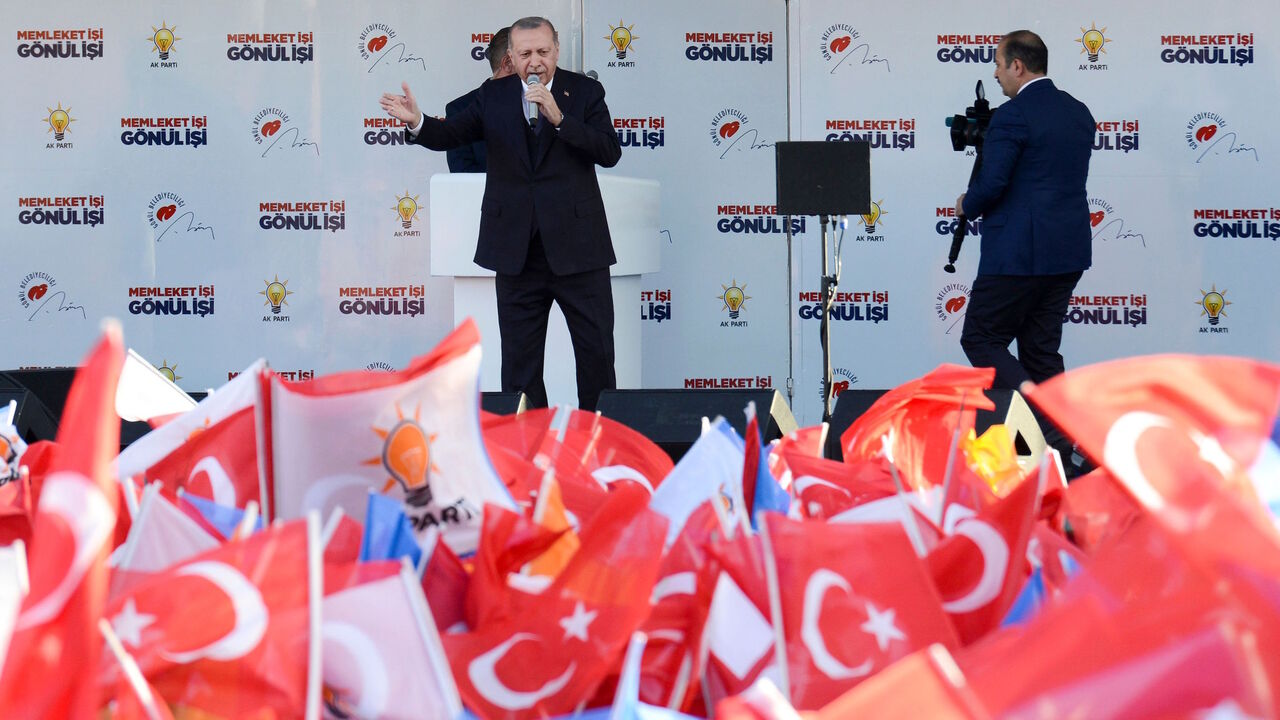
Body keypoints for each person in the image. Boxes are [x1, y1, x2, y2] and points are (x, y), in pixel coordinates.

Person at [380, 16, 622, 411]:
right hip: (517, 253)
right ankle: (529, 456)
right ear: (511, 56)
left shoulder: (584, 92)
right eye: (525, 54)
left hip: (580, 251)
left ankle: (598, 451)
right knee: (520, 370)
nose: (535, 62)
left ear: (556, 50)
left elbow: (609, 151)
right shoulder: (492, 97)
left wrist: (559, 118)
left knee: (596, 362)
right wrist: (419, 123)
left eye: (543, 52)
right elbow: (451, 134)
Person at [954, 30, 1095, 471]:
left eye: (998, 64)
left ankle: (1052, 431)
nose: (995, 74)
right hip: (1067, 253)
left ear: (1018, 65)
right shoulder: (1079, 112)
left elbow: (992, 184)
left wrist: (965, 203)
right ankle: (1073, 447)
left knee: (979, 337)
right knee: (1039, 352)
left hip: (1018, 254)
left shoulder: (1012, 117)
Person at [446, 28, 514, 173]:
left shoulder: (546, 105)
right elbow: (462, 173)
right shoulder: (460, 109)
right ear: (508, 62)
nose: (536, 64)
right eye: (527, 56)